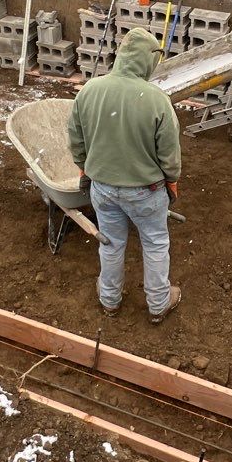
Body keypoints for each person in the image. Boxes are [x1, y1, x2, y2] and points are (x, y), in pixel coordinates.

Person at [67, 27, 183, 323]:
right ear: (148, 61)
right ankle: (158, 305)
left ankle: (109, 299)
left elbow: (76, 139)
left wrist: (84, 166)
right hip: (146, 191)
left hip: (103, 188)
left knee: (111, 242)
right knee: (155, 243)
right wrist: (171, 180)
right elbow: (168, 152)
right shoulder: (157, 100)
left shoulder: (90, 90)